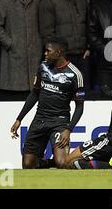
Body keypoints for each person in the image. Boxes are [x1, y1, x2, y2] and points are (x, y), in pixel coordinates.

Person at [10, 37, 85, 169]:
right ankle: (48, 163)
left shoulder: (75, 74)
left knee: (62, 163)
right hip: (39, 120)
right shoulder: (43, 67)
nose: (45, 54)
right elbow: (34, 94)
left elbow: (79, 107)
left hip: (59, 122)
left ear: (58, 52)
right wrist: (19, 119)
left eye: (47, 51)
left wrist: (68, 129)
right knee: (28, 165)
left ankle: (57, 163)